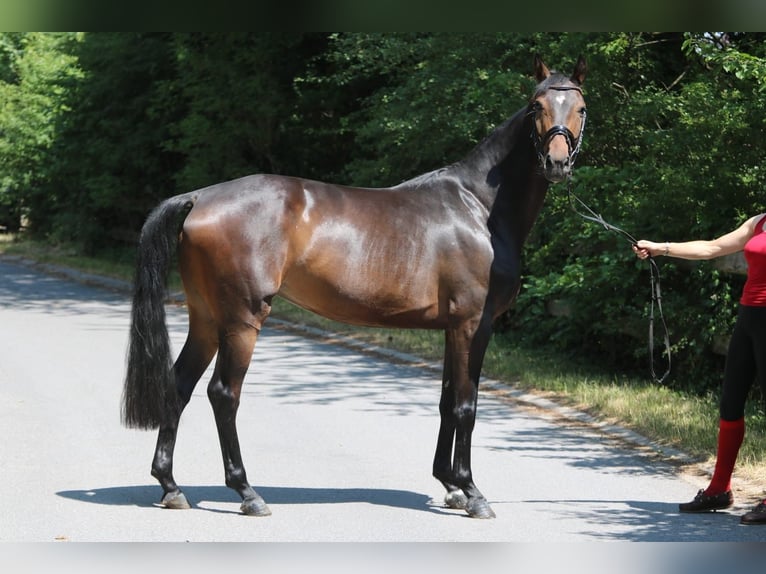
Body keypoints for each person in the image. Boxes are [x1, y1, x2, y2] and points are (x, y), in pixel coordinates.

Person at [633, 213, 766, 525]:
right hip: (749, 319)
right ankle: (719, 489)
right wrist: (660, 248)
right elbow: (711, 248)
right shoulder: (759, 222)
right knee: (730, 404)